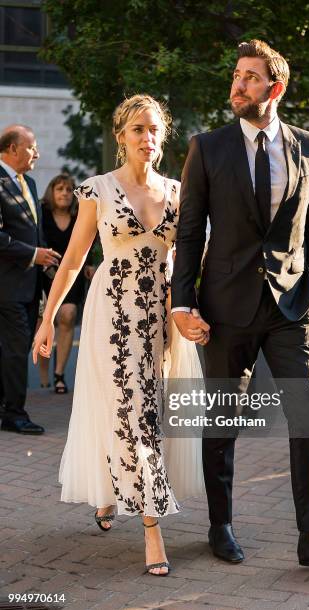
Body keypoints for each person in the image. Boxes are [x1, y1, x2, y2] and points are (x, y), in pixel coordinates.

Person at [172, 39, 309, 570]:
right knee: (222, 422)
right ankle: (220, 524)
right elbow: (189, 233)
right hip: (225, 306)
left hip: (291, 307)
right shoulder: (207, 147)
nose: (238, 85)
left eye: (250, 77)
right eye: (236, 75)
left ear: (274, 88)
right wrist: (182, 303)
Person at [33, 94, 205, 576]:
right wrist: (47, 319)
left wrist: (192, 312)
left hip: (161, 316)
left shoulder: (177, 191)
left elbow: (191, 260)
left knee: (149, 409)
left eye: (153, 129)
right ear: (120, 136)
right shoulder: (96, 190)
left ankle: (112, 493)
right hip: (114, 315)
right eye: (137, 130)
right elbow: (72, 261)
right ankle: (152, 527)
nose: (146, 138)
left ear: (162, 135)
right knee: (134, 410)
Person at [0, 124, 60, 435]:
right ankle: (14, 413)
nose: (36, 152)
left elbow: (34, 231)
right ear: (11, 149)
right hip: (6, 286)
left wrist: (44, 258)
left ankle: (5, 406)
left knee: (14, 348)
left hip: (29, 284)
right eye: (31, 146)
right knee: (13, 349)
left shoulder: (31, 183)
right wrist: (31, 254)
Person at [38, 174, 95, 393]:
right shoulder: (42, 213)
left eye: (69, 190)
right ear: (51, 192)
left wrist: (89, 265)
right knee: (43, 322)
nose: (64, 193)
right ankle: (44, 377)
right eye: (59, 189)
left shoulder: (80, 214)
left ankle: (59, 374)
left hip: (73, 275)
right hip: (44, 275)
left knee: (68, 316)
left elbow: (87, 243)